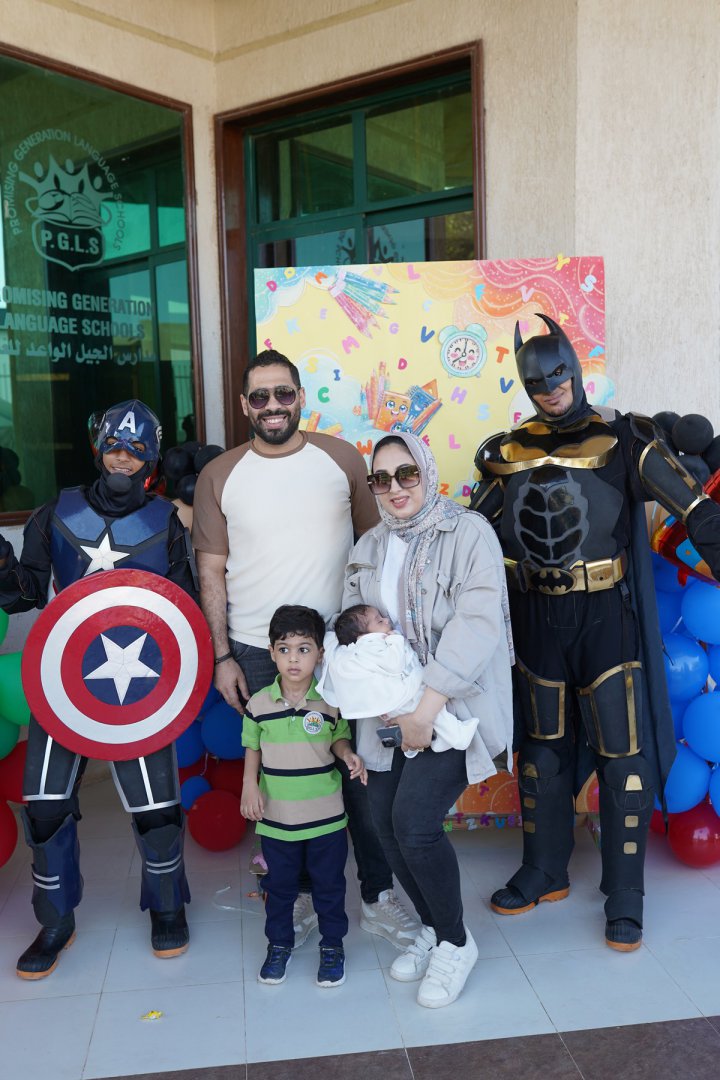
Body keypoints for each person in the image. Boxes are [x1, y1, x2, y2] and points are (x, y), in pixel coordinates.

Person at [470, 314, 720, 951]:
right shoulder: (506, 452)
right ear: (524, 385)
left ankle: (626, 894)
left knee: (623, 757)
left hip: (606, 615)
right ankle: (544, 870)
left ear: (576, 370)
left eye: (559, 375)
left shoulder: (625, 438)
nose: (551, 389)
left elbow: (696, 509)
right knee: (542, 753)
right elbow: (471, 537)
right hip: (535, 617)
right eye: (537, 382)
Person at [192, 349, 419, 952]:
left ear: (300, 397)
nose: (272, 406)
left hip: (341, 652)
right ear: (245, 405)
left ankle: (377, 896)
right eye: (260, 396)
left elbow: (377, 545)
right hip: (258, 652)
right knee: (281, 781)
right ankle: (291, 896)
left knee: (361, 779)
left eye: (283, 393)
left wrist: (383, 641)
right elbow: (210, 572)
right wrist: (222, 656)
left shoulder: (341, 460)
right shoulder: (220, 475)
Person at [0, 400, 197, 979]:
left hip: (141, 688)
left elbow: (183, 611)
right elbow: (25, 593)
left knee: (157, 809)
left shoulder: (166, 523)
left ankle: (167, 907)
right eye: (115, 445)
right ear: (99, 448)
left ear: (151, 458)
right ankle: (55, 920)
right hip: (63, 683)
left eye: (137, 449)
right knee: (46, 808)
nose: (123, 457)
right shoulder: (55, 514)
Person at [340, 431, 514, 1008]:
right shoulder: (369, 544)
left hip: (451, 706)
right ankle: (437, 930)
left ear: (427, 472)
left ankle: (457, 943)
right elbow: (351, 627)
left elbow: (477, 626)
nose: (395, 488)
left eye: (406, 473)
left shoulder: (468, 533)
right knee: (383, 824)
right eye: (381, 478)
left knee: (414, 824)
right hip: (387, 711)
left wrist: (426, 709)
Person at [241, 605, 367, 987]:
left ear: (320, 654)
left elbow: (339, 738)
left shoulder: (329, 701)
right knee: (279, 889)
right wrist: (249, 786)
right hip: (277, 820)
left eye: (303, 649)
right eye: (284, 649)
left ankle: (333, 946)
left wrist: (348, 754)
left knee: (329, 886)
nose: (293, 659)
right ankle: (279, 945)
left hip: (326, 817)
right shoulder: (258, 704)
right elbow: (252, 748)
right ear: (271, 653)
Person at [318, 604, 479, 755]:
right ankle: (459, 737)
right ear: (362, 635)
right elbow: (394, 663)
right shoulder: (370, 644)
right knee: (436, 711)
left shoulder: (357, 650)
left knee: (434, 717)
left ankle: (441, 740)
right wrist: (396, 639)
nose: (386, 620)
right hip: (403, 696)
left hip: (395, 702)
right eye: (379, 621)